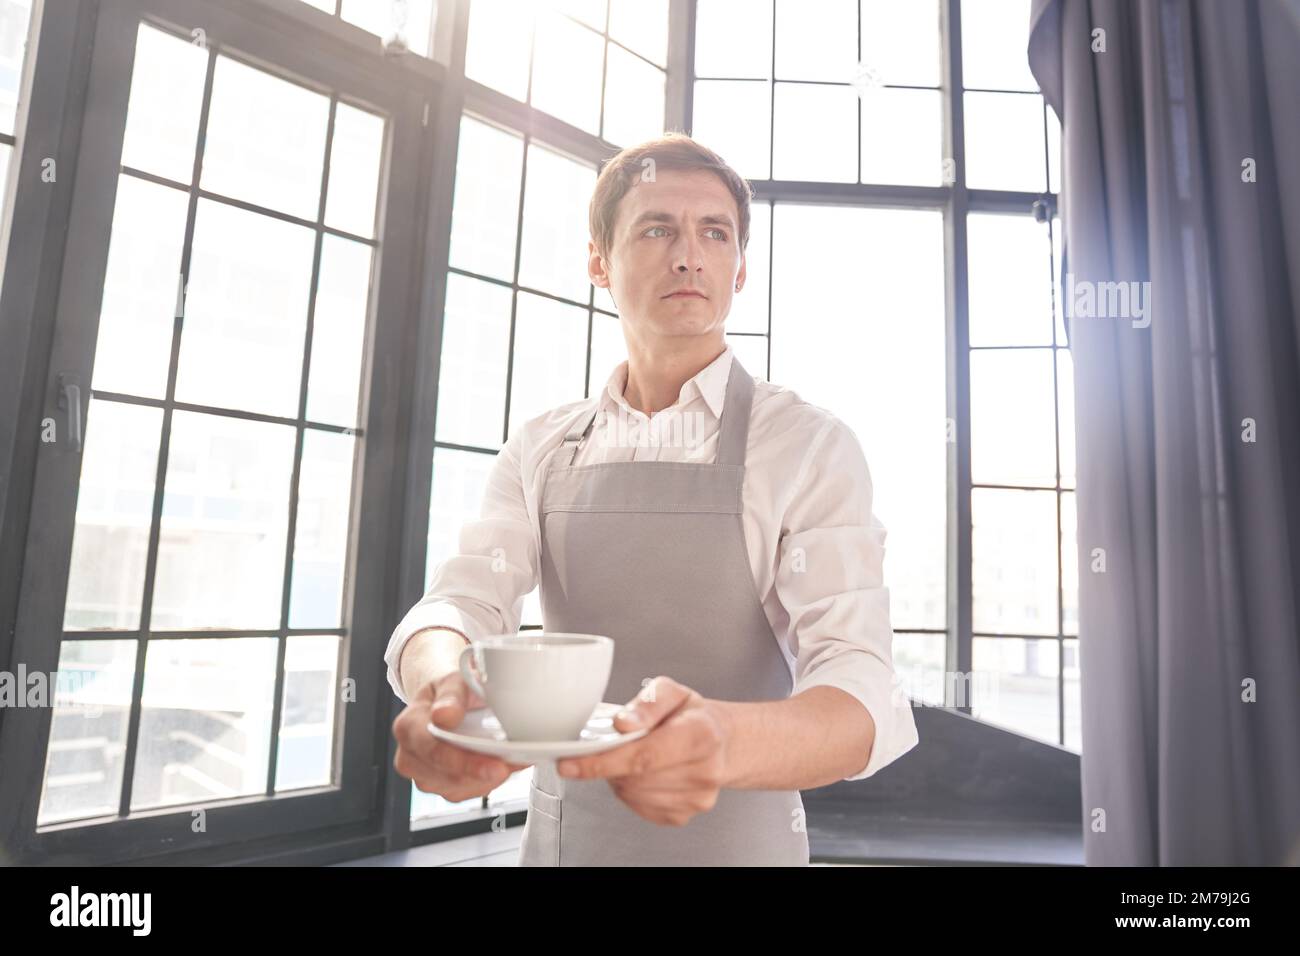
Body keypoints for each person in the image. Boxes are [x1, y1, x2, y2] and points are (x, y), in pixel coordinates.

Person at [387, 133, 919, 866]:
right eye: (657, 227)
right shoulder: (539, 447)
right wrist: (445, 691)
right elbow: (461, 604)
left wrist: (722, 742)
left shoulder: (809, 447)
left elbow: (859, 691)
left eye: (715, 232)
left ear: (738, 273)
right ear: (597, 262)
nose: (689, 254)